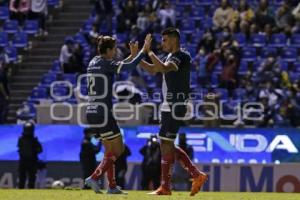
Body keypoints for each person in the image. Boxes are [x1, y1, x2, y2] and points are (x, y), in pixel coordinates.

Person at [139, 28, 207, 196]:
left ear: (173, 40)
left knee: (165, 143)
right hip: (168, 104)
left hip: (176, 104)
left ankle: (168, 186)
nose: (162, 43)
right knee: (166, 143)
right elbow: (153, 69)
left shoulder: (181, 56)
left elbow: (163, 68)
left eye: (164, 40)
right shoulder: (169, 56)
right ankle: (194, 175)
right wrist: (138, 56)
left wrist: (149, 52)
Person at [84, 34, 152, 194]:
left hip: (92, 112)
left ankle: (112, 186)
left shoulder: (93, 62)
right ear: (107, 50)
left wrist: (133, 55)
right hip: (103, 112)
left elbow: (121, 64)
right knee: (119, 149)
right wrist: (143, 52)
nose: (115, 52)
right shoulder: (106, 63)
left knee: (109, 151)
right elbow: (126, 67)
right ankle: (94, 177)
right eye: (113, 49)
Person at [17, 121, 43, 189]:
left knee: (24, 178)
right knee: (29, 178)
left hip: (25, 161)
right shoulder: (33, 139)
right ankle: (27, 190)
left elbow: (19, 149)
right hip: (30, 161)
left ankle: (22, 190)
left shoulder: (22, 139)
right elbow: (40, 150)